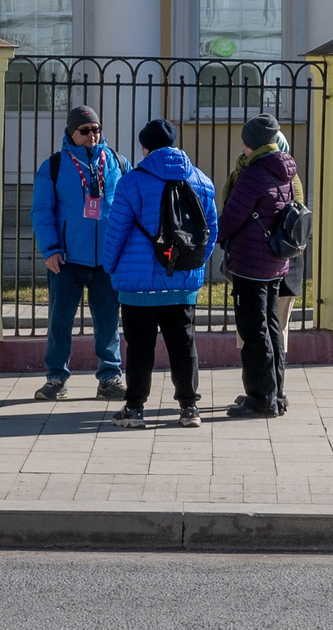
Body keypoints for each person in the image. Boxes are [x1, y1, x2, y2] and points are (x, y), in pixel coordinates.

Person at [98, 117, 217, 430]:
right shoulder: (201, 180)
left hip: (139, 285)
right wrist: (193, 263)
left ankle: (135, 408)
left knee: (140, 347)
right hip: (182, 282)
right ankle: (189, 407)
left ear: (145, 148)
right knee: (184, 344)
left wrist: (110, 265)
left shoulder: (131, 182)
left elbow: (116, 231)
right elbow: (211, 232)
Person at [29, 104, 128, 402]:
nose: (91, 135)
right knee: (60, 321)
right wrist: (50, 249)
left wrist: (124, 248)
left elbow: (129, 207)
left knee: (108, 322)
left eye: (96, 129)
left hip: (107, 259)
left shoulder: (117, 162)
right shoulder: (54, 166)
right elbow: (41, 211)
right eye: (84, 131)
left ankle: (109, 377)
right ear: (71, 133)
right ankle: (56, 377)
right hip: (67, 259)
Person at [217, 113, 301, 419]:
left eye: (244, 141)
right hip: (275, 262)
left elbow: (232, 216)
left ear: (251, 142)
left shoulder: (253, 173)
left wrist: (215, 237)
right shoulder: (285, 170)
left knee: (254, 331)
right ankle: (276, 393)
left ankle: (261, 399)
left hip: (251, 263)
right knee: (271, 327)